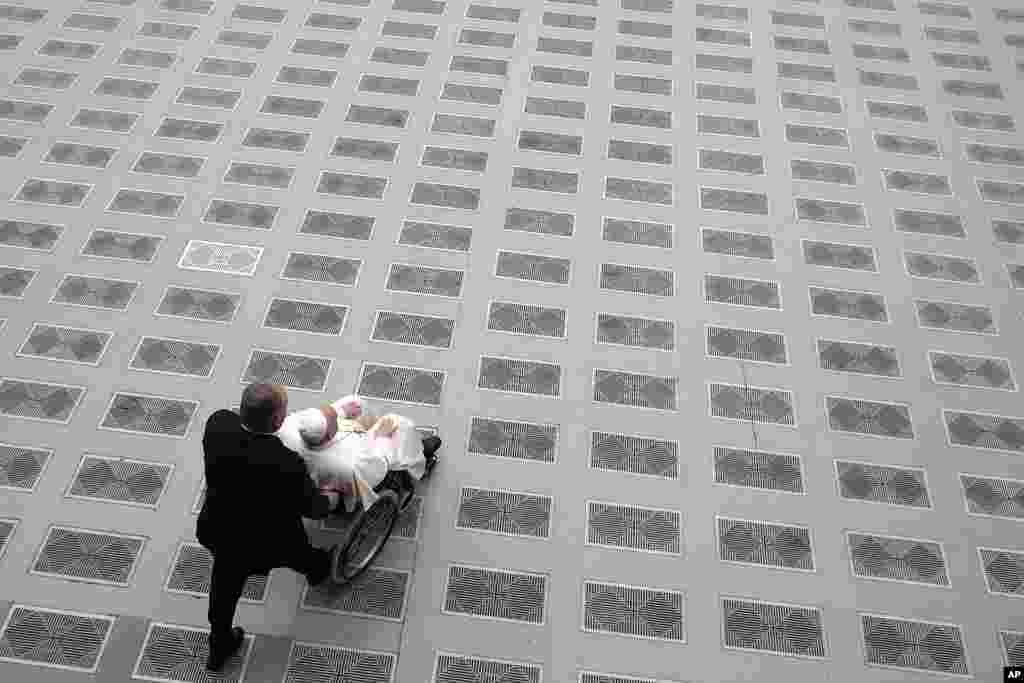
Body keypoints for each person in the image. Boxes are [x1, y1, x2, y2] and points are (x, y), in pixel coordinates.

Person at [196, 383, 341, 672]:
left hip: (221, 528)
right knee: (298, 553)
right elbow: (312, 508)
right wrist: (331, 497)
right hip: (269, 537)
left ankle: (219, 641)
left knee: (224, 588)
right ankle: (319, 570)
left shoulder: (218, 425)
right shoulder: (285, 462)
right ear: (277, 422)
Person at [277, 395, 441, 514]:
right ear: (328, 436)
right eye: (334, 421)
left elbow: (328, 417)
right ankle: (418, 453)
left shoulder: (286, 429)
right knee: (398, 425)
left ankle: (372, 424)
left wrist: (340, 413)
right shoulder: (350, 464)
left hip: (317, 474)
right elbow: (379, 466)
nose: (336, 416)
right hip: (358, 468)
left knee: (353, 401)